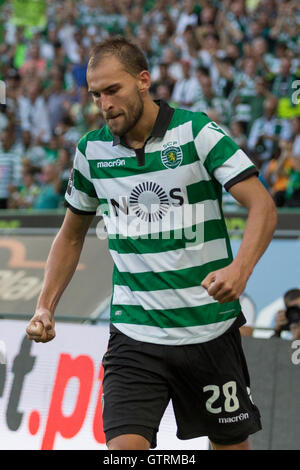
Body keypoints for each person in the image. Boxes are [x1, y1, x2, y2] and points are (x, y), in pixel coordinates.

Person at [26, 37, 277, 451]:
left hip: (209, 332)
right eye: (95, 94)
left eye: (113, 90)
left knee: (231, 446)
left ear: (143, 80)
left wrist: (240, 270)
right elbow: (70, 235)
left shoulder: (196, 133)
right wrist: (45, 306)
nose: (104, 104)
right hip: (134, 334)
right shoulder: (91, 152)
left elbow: (263, 207)